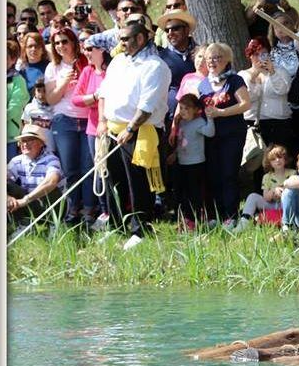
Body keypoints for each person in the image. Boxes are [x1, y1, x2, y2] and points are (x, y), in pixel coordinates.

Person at [97, 21, 173, 250]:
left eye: (125, 39)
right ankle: (116, 226)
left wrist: (130, 129)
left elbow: (147, 105)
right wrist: (102, 122)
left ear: (140, 39)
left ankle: (140, 229)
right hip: (112, 129)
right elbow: (104, 92)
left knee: (138, 184)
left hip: (140, 131)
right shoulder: (118, 61)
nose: (120, 43)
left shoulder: (155, 66)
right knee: (112, 181)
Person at [44, 27, 94, 225]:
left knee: (88, 167)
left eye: (65, 41)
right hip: (64, 121)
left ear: (73, 42)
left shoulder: (86, 63)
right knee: (71, 169)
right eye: (57, 43)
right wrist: (64, 83)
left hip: (88, 119)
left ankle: (89, 210)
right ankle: (73, 209)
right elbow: (51, 99)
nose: (61, 46)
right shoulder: (53, 68)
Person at [197, 42, 251, 224]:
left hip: (232, 134)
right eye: (209, 58)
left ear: (226, 60)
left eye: (218, 57)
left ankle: (231, 215)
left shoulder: (235, 80)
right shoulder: (203, 85)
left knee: (229, 173)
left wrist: (221, 113)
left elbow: (245, 104)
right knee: (213, 174)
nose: (213, 61)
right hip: (211, 136)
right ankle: (216, 215)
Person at [71, 33, 111, 223]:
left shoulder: (112, 71)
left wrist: (94, 99)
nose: (86, 53)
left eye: (89, 49)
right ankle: (104, 211)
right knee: (99, 170)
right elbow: (76, 99)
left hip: (113, 127)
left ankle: (117, 210)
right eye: (84, 49)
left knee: (113, 172)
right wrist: (95, 97)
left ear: (102, 50)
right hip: (94, 128)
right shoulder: (87, 72)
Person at [238, 37, 294, 151]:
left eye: (263, 54)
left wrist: (272, 72)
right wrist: (254, 76)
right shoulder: (243, 75)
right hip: (254, 124)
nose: (259, 58)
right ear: (250, 56)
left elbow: (283, 90)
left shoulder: (280, 71)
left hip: (279, 123)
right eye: (255, 54)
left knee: (280, 159)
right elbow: (247, 99)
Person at [168, 93, 215, 229]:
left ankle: (198, 217)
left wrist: (210, 118)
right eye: (181, 108)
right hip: (183, 162)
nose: (183, 111)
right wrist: (175, 154)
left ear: (195, 109)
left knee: (196, 192)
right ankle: (188, 218)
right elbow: (182, 141)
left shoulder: (199, 122)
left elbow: (210, 132)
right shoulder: (182, 123)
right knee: (184, 192)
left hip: (196, 163)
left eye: (186, 109)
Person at [6, 125, 63, 230]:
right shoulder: (17, 161)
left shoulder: (51, 159)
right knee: (7, 185)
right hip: (28, 203)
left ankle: (53, 225)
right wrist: (7, 197)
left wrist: (26, 199)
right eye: (23, 141)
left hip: (51, 205)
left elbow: (52, 181)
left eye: (30, 140)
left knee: (51, 189)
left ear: (41, 143)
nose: (25, 144)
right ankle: (23, 224)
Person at [156, 7, 198, 122]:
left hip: (200, 116)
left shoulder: (202, 54)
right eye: (167, 30)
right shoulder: (160, 58)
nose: (170, 33)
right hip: (171, 118)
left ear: (186, 30)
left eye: (175, 28)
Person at [238, 145, 294, 230]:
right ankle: (244, 222)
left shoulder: (292, 173)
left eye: (280, 157)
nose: (277, 160)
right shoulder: (267, 177)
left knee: (289, 195)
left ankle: (286, 224)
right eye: (273, 159)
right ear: (269, 162)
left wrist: (283, 192)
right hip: (272, 204)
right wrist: (273, 192)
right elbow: (266, 197)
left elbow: (295, 192)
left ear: (285, 159)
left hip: (287, 205)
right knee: (252, 196)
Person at [22, 80, 55, 153]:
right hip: (33, 148)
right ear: (34, 91)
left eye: (44, 91)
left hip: (50, 147)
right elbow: (25, 125)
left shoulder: (55, 108)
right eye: (38, 91)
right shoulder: (29, 107)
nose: (41, 94)